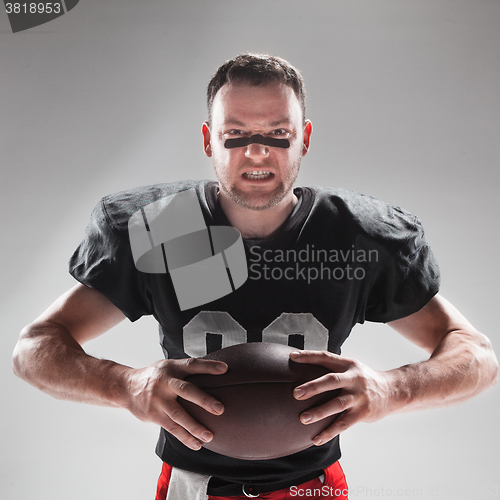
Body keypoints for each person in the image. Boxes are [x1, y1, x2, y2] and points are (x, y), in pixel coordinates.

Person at [12, 54, 498, 500]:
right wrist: (125, 384)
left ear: (304, 137)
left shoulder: (353, 235)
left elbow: (475, 354)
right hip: (192, 484)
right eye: (236, 134)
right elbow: (34, 348)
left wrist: (395, 389)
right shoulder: (166, 226)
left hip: (314, 487)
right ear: (209, 140)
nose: (257, 152)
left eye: (277, 135)